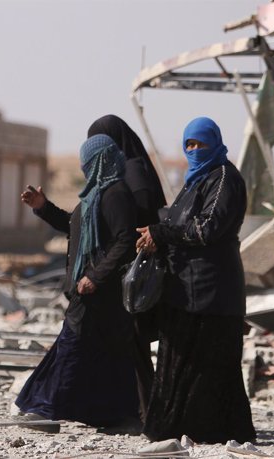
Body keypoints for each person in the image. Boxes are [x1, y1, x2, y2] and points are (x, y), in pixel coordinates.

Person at [136, 116, 256, 444]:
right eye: (188, 144)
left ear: (214, 143)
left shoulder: (223, 179)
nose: (193, 150)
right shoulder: (195, 181)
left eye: (199, 143)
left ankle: (212, 430)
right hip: (187, 288)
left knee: (213, 364)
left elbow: (207, 229)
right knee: (182, 362)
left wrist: (161, 232)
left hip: (212, 290)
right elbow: (178, 220)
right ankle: (183, 429)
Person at [15, 134, 140, 430]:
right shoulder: (96, 194)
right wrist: (43, 207)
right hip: (89, 289)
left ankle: (47, 411)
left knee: (71, 347)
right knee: (102, 355)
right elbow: (75, 228)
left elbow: (125, 240)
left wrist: (95, 276)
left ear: (101, 162)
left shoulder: (116, 194)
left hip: (98, 290)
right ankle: (119, 416)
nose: (84, 167)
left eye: (88, 161)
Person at [86, 114, 166, 421]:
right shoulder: (134, 170)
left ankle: (145, 414)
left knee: (134, 344)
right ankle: (138, 411)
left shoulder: (133, 178)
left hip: (136, 274)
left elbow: (135, 228)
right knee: (132, 345)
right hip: (134, 272)